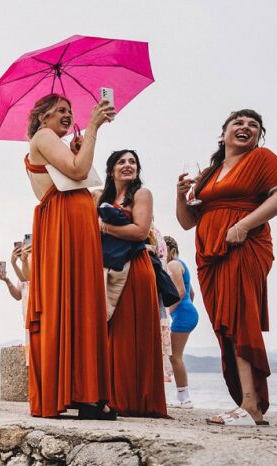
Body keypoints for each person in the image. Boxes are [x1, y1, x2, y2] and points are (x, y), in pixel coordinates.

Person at [176, 109, 277, 426]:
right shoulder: (211, 173)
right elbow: (187, 222)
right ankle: (244, 401)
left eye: (253, 125)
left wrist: (243, 226)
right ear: (223, 132)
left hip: (244, 246)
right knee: (225, 325)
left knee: (241, 318)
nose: (246, 127)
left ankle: (251, 405)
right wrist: (180, 196)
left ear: (259, 136)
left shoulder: (262, 158)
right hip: (209, 255)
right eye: (238, 122)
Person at [23, 94, 116, 419]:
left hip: (72, 222)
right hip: (64, 223)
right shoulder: (44, 136)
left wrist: (80, 146)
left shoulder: (52, 142)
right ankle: (81, 394)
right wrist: (93, 126)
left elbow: (76, 168)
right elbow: (78, 172)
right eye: (60, 110)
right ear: (42, 116)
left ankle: (80, 391)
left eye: (70, 110)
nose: (68, 114)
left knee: (78, 304)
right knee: (71, 303)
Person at [96, 149, 168, 418]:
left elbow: (139, 231)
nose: (128, 166)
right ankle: (111, 395)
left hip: (135, 268)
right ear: (111, 169)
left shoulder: (141, 194)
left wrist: (103, 228)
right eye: (121, 162)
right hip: (108, 269)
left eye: (133, 162)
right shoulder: (101, 197)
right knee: (111, 333)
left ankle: (134, 398)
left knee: (130, 333)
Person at [164, 235, 199, 408]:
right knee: (175, 356)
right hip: (187, 312)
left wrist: (168, 312)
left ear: (169, 249)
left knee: (174, 357)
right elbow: (191, 293)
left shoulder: (172, 265)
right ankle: (182, 397)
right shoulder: (182, 265)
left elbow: (181, 291)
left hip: (183, 314)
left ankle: (184, 399)